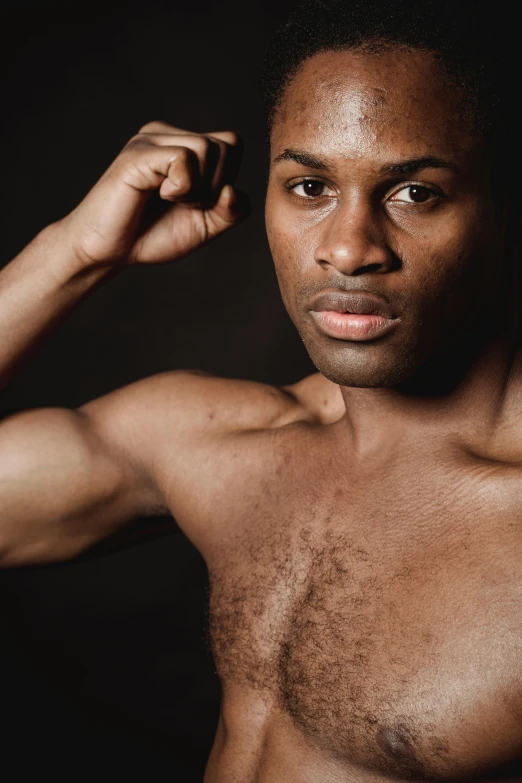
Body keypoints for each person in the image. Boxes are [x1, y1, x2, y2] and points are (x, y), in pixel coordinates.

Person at [1, 0, 521, 779]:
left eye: (414, 193)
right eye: (310, 186)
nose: (346, 249)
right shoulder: (227, 446)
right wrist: (71, 253)